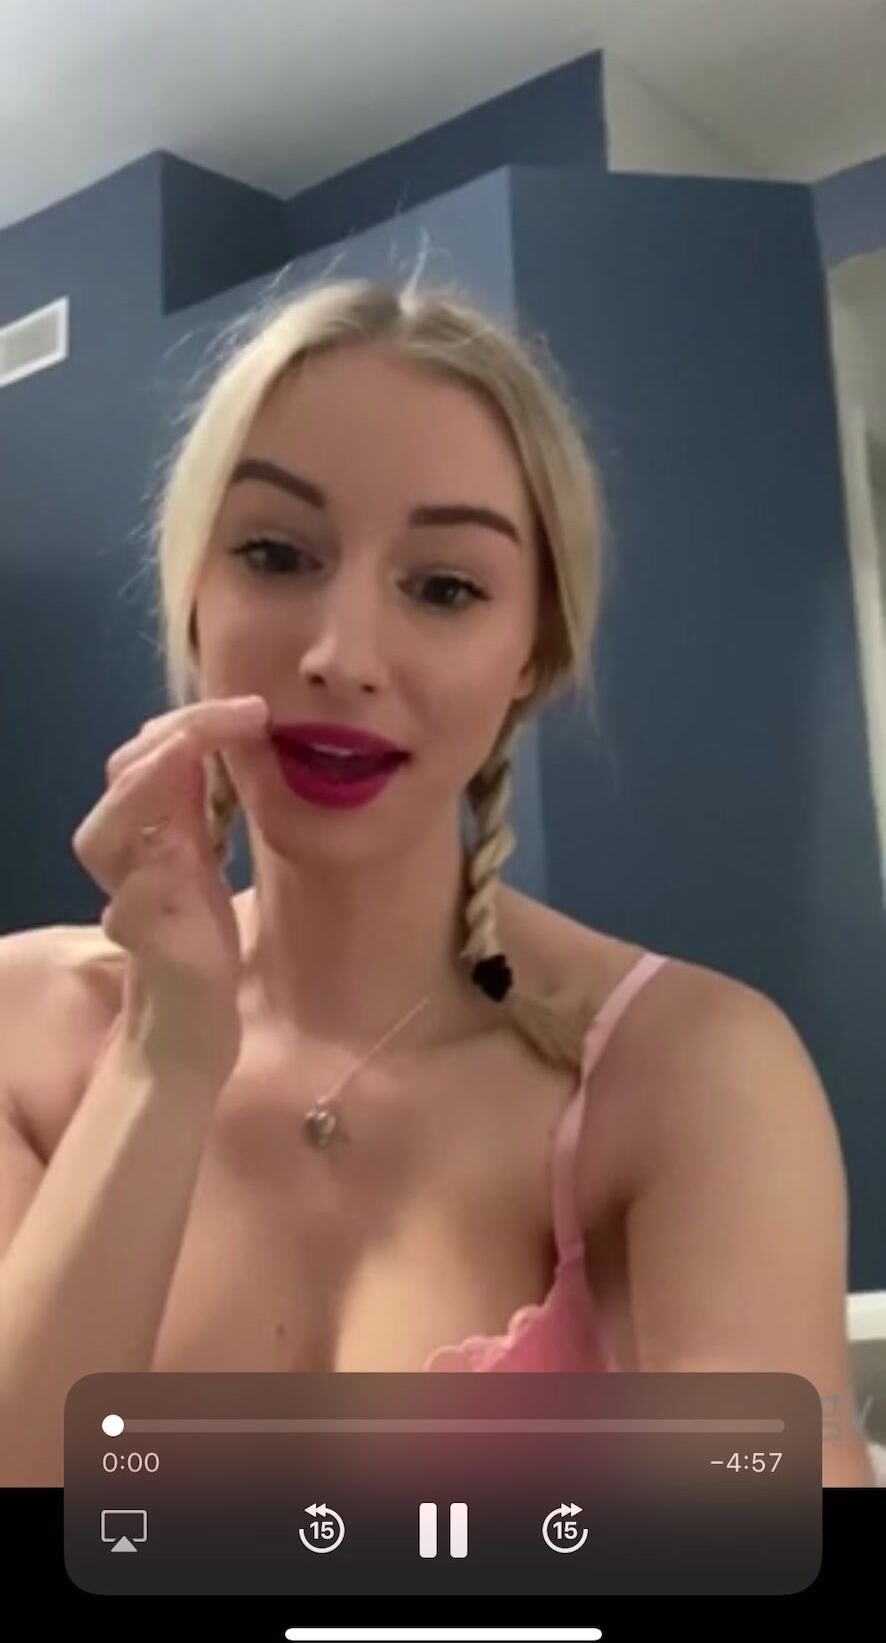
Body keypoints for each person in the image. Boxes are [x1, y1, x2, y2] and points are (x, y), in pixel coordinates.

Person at [0, 276, 874, 1486]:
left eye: (446, 586)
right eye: (274, 554)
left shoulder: (685, 1074)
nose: (342, 656)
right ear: (194, 595)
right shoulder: (29, 1035)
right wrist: (164, 1060)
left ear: (532, 653)